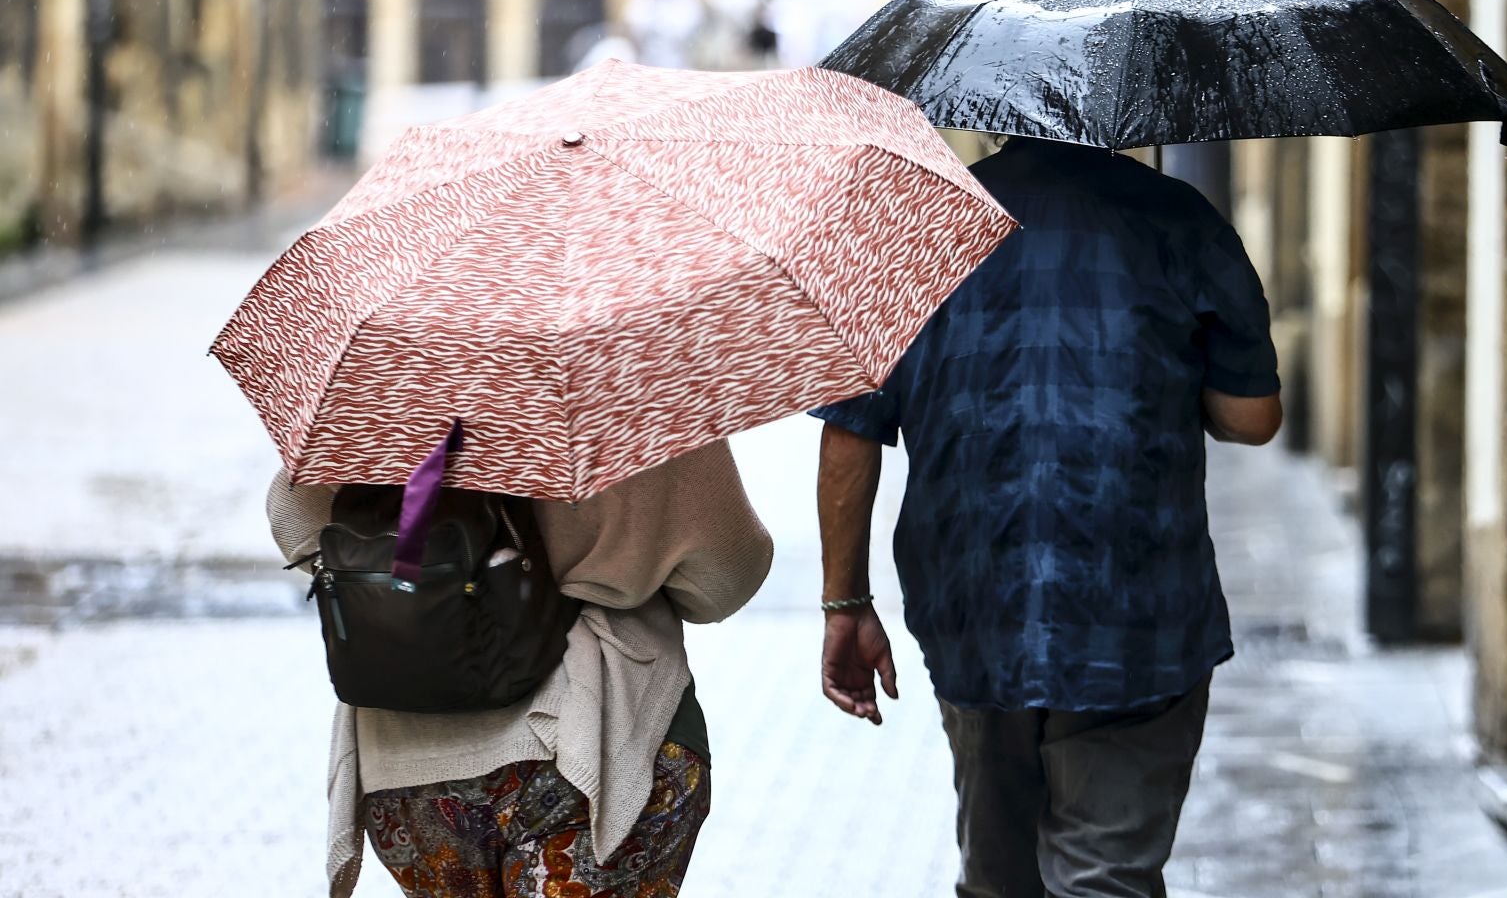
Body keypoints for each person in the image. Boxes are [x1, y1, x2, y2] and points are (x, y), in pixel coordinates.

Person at [812, 137, 1282, 898]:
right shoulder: (1179, 219)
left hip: (974, 604)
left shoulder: (914, 224)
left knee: (999, 876)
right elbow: (1254, 417)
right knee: (1108, 878)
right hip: (1136, 610)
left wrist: (845, 602)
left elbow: (851, 430)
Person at [269, 441, 773, 898]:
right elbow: (725, 574)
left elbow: (295, 518)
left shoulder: (390, 373)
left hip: (404, 760)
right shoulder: (625, 373)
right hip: (586, 737)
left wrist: (414, 577)